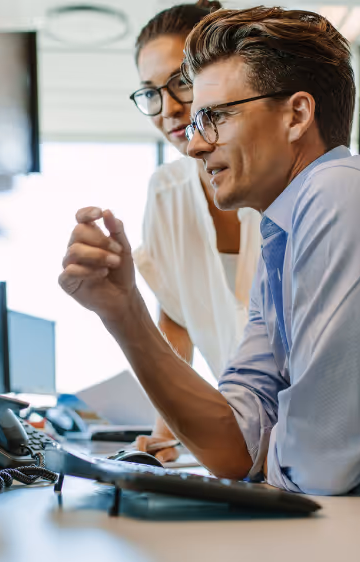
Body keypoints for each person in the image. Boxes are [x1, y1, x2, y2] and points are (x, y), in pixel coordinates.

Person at [59, 7, 360, 525]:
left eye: (214, 116)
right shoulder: (280, 240)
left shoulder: (345, 194)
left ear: (296, 115)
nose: (193, 144)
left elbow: (319, 467)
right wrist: (122, 313)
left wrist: (268, 451)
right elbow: (235, 447)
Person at [128, 1, 263, 463]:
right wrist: (165, 433)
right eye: (150, 92)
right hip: (244, 441)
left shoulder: (282, 179)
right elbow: (177, 319)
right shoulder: (166, 192)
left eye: (182, 82)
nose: (168, 108)